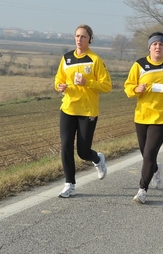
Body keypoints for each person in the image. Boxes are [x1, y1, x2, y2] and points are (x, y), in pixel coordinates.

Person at [124, 32, 163, 204]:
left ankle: (142, 190)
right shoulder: (139, 65)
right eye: (154, 44)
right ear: (149, 48)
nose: (158, 47)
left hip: (162, 117)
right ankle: (156, 168)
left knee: (150, 153)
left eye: (161, 44)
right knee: (145, 154)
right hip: (142, 115)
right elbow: (128, 86)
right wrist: (136, 89)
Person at [54, 24, 112, 198]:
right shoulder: (66, 58)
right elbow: (59, 79)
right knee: (65, 147)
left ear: (90, 39)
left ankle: (97, 159)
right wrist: (59, 86)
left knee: (83, 151)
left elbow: (107, 86)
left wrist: (88, 82)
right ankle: (70, 184)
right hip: (68, 108)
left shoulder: (95, 60)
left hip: (87, 111)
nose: (80, 39)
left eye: (83, 37)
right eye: (77, 36)